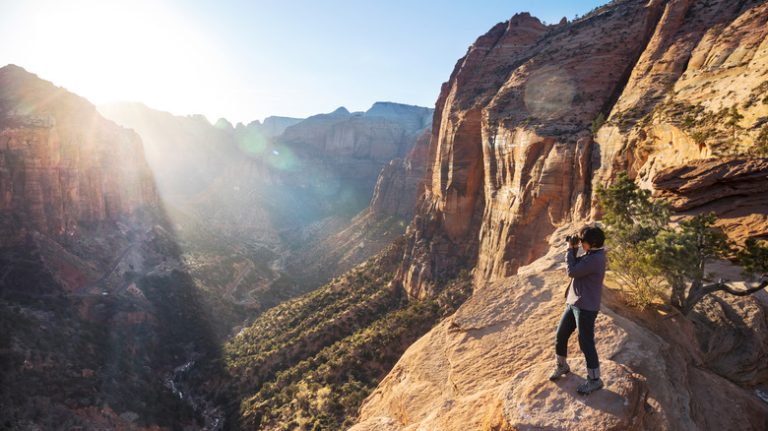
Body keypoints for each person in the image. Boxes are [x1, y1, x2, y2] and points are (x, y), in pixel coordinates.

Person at [548, 225, 607, 395]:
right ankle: (562, 365)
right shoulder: (591, 254)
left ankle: (595, 380)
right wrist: (574, 250)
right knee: (561, 334)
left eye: (583, 241)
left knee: (586, 342)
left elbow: (572, 271)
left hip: (586, 308)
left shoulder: (595, 259)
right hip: (574, 303)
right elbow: (577, 266)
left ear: (593, 243)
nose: (580, 243)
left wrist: (569, 250)